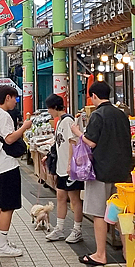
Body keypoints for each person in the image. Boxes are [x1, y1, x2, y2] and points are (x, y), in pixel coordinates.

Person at [72, 81, 132, 266]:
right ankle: (127, 252)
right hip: (122, 171)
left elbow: (91, 142)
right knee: (122, 212)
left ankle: (100, 254)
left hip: (101, 171)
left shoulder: (98, 115)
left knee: (99, 213)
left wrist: (77, 132)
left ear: (94, 96)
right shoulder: (122, 115)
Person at [0, 85, 31, 257]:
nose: (16, 102)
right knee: (7, 207)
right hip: (7, 167)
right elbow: (9, 139)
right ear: (8, 97)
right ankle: (2, 247)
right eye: (15, 98)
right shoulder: (4, 115)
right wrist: (24, 127)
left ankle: (1, 241)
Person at [44, 94, 84, 244]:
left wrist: (69, 164)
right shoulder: (60, 122)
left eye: (49, 108)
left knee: (74, 198)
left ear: (54, 107)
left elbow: (73, 142)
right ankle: (59, 228)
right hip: (61, 167)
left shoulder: (68, 121)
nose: (49, 112)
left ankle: (77, 229)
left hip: (70, 168)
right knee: (61, 196)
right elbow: (59, 144)